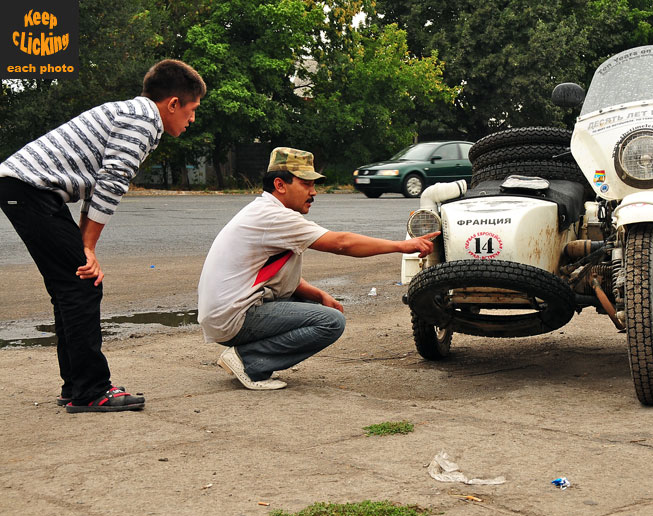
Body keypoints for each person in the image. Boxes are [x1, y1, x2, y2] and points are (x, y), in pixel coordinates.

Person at [0, 59, 206, 413]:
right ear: (173, 103)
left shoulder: (135, 115)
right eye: (191, 110)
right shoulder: (142, 120)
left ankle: (78, 385)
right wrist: (88, 249)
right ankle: (91, 390)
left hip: (26, 188)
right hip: (29, 188)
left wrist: (85, 246)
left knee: (71, 285)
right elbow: (112, 180)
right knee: (82, 283)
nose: (191, 120)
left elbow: (99, 185)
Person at [197, 147, 438, 390]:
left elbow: (272, 275)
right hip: (233, 317)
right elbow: (341, 243)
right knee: (330, 322)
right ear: (280, 185)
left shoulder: (264, 212)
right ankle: (249, 361)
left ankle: (248, 355)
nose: (313, 192)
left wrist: (319, 294)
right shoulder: (274, 217)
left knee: (316, 307)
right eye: (305, 184)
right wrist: (402, 245)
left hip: (226, 313)